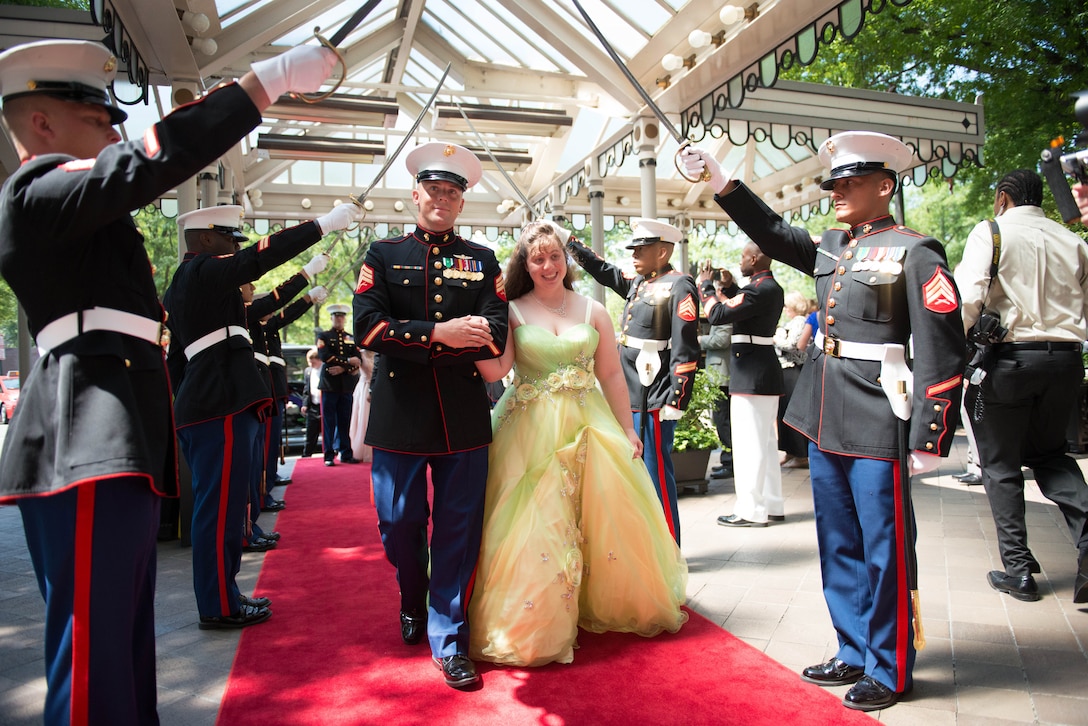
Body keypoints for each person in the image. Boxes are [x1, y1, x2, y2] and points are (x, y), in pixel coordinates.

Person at [0, 37, 335, 724]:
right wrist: (260, 86)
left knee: (124, 646)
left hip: (114, 434)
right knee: (95, 656)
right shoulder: (35, 194)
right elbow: (144, 163)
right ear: (41, 123)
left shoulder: (77, 218)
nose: (113, 129)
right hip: (83, 434)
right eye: (98, 117)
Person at [682, 132, 965, 711]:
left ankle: (889, 665)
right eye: (834, 183)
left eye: (850, 183)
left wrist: (931, 431)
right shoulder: (833, 245)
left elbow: (942, 346)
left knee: (884, 546)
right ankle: (853, 648)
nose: (837, 192)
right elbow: (771, 232)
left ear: (885, 186)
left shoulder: (916, 251)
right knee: (837, 542)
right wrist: (720, 179)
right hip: (823, 411)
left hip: (878, 411)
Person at [468, 220, 688, 666]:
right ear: (525, 265)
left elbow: (611, 375)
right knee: (536, 517)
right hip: (527, 428)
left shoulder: (593, 310)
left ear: (565, 259)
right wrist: (470, 336)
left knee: (600, 512)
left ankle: (597, 602)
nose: (548, 265)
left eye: (554, 256)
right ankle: (537, 615)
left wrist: (627, 429)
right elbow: (497, 371)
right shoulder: (511, 310)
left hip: (589, 421)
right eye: (538, 258)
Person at [353, 142, 508, 689]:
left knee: (458, 530)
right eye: (434, 190)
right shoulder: (382, 253)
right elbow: (367, 329)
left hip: (463, 413)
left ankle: (448, 637)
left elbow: (496, 332)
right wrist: (439, 335)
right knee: (399, 524)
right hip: (399, 414)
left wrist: (425, 342)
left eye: (453, 192)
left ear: (462, 203)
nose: (442, 199)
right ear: (415, 193)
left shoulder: (482, 260)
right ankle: (410, 592)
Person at [165, 202, 361, 632]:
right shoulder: (199, 272)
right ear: (202, 239)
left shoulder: (197, 287)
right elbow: (259, 256)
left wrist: (307, 278)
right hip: (219, 402)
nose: (233, 251)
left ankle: (225, 595)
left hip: (210, 402)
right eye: (225, 241)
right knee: (219, 510)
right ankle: (219, 603)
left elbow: (177, 361)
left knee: (224, 505)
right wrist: (321, 225)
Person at [954, 169, 1088, 604]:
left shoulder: (991, 232)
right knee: (1052, 456)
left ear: (1002, 197)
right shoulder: (1073, 241)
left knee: (999, 464)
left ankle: (1019, 570)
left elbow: (967, 300)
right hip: (1066, 361)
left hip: (1008, 361)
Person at [565, 218, 701, 545]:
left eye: (642, 248)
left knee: (655, 476)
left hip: (654, 395)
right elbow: (605, 269)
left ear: (664, 251)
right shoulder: (640, 282)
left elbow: (685, 347)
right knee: (634, 472)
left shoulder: (679, 285)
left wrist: (676, 399)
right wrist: (568, 242)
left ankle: (669, 546)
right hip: (629, 390)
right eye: (634, 248)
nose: (635, 254)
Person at [697, 243, 785, 527]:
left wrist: (706, 287)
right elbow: (744, 307)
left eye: (743, 257)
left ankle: (750, 510)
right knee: (766, 444)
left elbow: (719, 314)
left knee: (749, 445)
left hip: (751, 374)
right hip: (762, 370)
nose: (740, 261)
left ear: (755, 258)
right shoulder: (767, 287)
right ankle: (772, 503)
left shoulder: (759, 289)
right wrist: (731, 287)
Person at [699, 268, 736, 481]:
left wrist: (699, 341)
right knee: (720, 420)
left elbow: (722, 340)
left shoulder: (725, 313)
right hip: (718, 374)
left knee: (723, 421)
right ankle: (726, 460)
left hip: (722, 375)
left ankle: (729, 463)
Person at [317, 303, 362, 466]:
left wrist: (343, 367)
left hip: (346, 385)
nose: (339, 319)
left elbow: (359, 360)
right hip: (329, 385)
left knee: (345, 421)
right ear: (332, 318)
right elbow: (325, 356)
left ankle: (346, 452)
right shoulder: (324, 336)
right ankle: (329, 455)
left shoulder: (350, 338)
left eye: (341, 316)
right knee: (329, 422)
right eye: (336, 316)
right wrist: (348, 361)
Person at [775, 291, 812, 469]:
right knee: (784, 412)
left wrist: (776, 338)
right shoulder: (793, 322)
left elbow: (793, 345)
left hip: (792, 370)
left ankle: (800, 453)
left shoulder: (799, 322)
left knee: (792, 412)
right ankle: (791, 451)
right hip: (785, 370)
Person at [348, 349, 375, 463]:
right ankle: (361, 448)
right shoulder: (359, 354)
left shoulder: (379, 353)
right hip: (364, 388)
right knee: (363, 418)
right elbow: (352, 371)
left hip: (376, 387)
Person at [301, 348, 323, 457]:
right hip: (312, 406)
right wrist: (305, 404)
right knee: (310, 433)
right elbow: (306, 390)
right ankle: (307, 454)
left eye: (313, 361)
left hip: (324, 405)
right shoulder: (308, 371)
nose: (311, 364)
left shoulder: (324, 369)